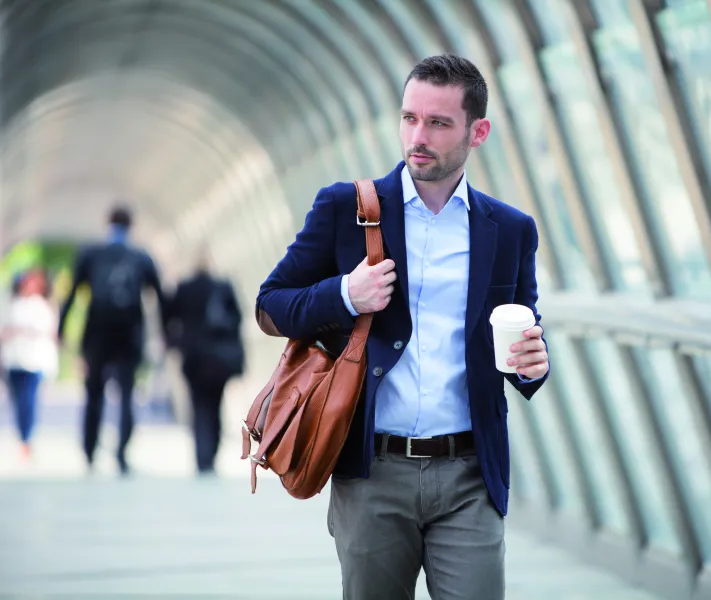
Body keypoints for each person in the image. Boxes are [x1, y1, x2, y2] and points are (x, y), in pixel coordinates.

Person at [256, 54, 550, 600]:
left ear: (476, 131)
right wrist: (346, 293)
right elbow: (270, 306)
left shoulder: (509, 230)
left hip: (469, 475)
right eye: (409, 118)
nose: (418, 135)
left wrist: (536, 362)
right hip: (372, 470)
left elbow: (526, 335)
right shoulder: (347, 207)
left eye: (438, 123)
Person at [58, 206, 167, 475]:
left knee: (94, 393)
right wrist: (165, 333)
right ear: (132, 226)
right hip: (129, 333)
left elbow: (72, 293)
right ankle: (121, 454)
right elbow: (160, 297)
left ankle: (89, 451)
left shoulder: (91, 254)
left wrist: (61, 329)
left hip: (97, 333)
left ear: (108, 224)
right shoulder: (140, 257)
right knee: (127, 395)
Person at [165, 252, 244, 475]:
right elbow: (237, 318)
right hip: (219, 358)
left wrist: (174, 342)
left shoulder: (184, 288)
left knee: (198, 405)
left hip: (193, 357)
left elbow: (168, 316)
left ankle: (203, 455)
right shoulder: (223, 287)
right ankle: (211, 453)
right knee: (216, 404)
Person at [1, 269, 59, 461]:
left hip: (34, 362)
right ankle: (22, 435)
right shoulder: (11, 305)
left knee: (29, 401)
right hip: (14, 360)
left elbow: (49, 335)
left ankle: (26, 438)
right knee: (18, 401)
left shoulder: (43, 307)